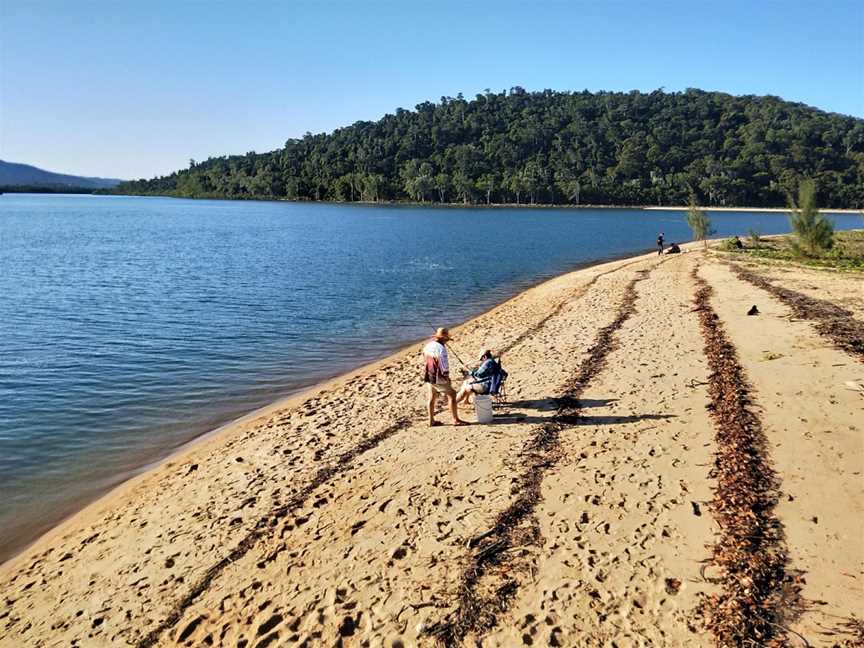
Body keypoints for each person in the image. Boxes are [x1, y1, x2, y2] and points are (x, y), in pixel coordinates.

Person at [422, 327, 466, 427]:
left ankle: (431, 420)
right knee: (452, 394)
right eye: (446, 339)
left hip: (428, 374)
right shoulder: (441, 349)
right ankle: (456, 420)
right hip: (438, 376)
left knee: (431, 397)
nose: (447, 341)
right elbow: (443, 365)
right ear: (443, 338)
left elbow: (424, 357)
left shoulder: (428, 345)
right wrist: (446, 377)